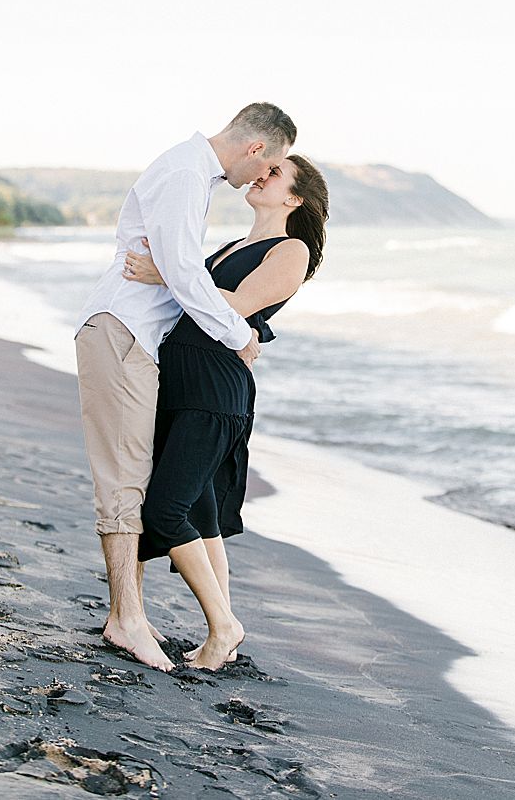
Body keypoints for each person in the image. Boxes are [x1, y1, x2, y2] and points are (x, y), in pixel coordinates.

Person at [73, 103, 296, 672]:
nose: (261, 178)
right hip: (123, 332)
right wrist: (238, 334)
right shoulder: (183, 175)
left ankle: (134, 614)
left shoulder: (191, 176)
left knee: (139, 483)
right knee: (126, 482)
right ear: (256, 149)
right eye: (268, 166)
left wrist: (177, 277)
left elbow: (178, 271)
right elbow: (184, 273)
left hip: (140, 341)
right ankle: (127, 619)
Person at [127, 154, 329, 669]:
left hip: (214, 392)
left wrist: (163, 274)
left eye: (276, 172)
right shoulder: (235, 245)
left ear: (294, 198)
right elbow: (198, 301)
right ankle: (224, 637)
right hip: (185, 382)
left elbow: (233, 307)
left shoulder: (292, 250)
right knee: (203, 513)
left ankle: (224, 626)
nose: (262, 173)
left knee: (164, 512)